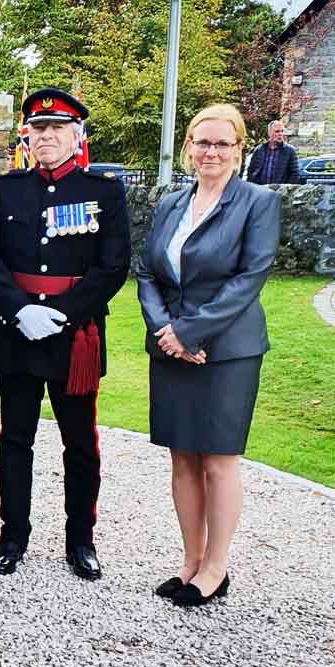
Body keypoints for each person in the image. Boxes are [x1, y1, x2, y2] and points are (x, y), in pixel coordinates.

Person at [0, 88, 131, 580]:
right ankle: (12, 535)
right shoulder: (7, 190)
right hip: (17, 332)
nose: (46, 136)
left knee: (80, 444)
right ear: (27, 136)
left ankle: (80, 540)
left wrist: (61, 313)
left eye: (57, 128)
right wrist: (20, 310)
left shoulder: (104, 192)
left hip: (74, 337)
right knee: (14, 440)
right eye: (38, 129)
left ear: (76, 136)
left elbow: (113, 267)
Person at [135, 104, 279, 607]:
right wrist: (166, 332)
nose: (211, 152)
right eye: (202, 142)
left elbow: (249, 278)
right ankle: (190, 561)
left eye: (222, 143)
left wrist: (191, 333)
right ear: (189, 147)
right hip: (171, 347)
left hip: (227, 350)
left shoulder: (257, 202)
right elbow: (147, 272)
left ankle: (216, 568)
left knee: (217, 461)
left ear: (239, 149)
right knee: (182, 459)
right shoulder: (172, 203)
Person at [245, 120, 301, 185]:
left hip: (279, 190)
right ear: (269, 133)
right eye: (277, 131)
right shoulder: (259, 150)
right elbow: (251, 171)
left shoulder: (290, 151)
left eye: (282, 131)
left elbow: (295, 174)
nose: (280, 134)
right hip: (259, 189)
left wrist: (285, 189)